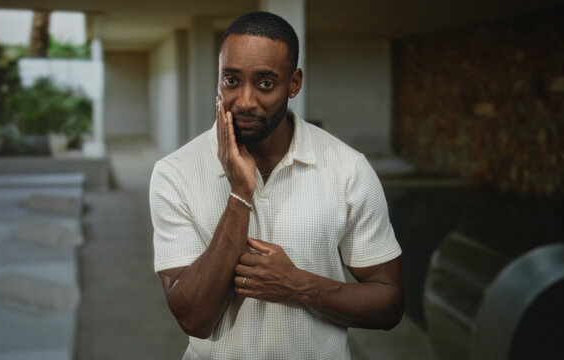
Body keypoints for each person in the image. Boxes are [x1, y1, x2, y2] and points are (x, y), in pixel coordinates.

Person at [149, 11, 403, 359]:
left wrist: (301, 287)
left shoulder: (347, 168)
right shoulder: (174, 172)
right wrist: (240, 194)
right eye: (231, 80)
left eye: (265, 83)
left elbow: (389, 304)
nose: (245, 101)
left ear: (294, 83)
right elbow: (194, 317)